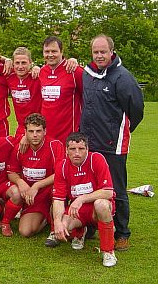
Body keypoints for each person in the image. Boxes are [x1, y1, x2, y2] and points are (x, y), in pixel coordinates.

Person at [80, 34, 144, 251]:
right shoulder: (87, 75)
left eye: (103, 52)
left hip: (112, 145)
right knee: (89, 186)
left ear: (111, 52)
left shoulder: (123, 77)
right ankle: (91, 226)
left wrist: (120, 131)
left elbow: (136, 110)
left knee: (116, 189)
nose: (99, 56)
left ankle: (122, 232)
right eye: (95, 52)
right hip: (89, 143)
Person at [53, 132, 117, 267]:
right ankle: (80, 232)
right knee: (64, 225)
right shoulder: (62, 166)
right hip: (78, 211)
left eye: (81, 149)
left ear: (87, 149)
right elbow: (58, 199)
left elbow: (108, 192)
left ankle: (108, 251)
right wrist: (57, 222)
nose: (77, 153)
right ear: (66, 151)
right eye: (72, 149)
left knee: (101, 204)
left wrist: (81, 199)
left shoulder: (96, 159)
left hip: (96, 207)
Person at [8, 113, 64, 239]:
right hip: (31, 196)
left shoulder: (55, 145)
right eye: (31, 131)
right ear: (25, 132)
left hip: (49, 192)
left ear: (45, 131)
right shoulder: (20, 147)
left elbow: (61, 174)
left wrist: (37, 185)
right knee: (25, 231)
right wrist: (20, 182)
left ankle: (54, 224)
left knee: (58, 191)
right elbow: (11, 172)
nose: (35, 135)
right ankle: (45, 218)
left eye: (38, 131)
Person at [39, 36, 83, 143]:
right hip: (46, 135)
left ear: (61, 51)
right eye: (47, 51)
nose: (50, 55)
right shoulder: (41, 72)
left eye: (54, 51)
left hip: (69, 136)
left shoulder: (74, 71)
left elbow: (88, 98)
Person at [7, 47, 42, 137]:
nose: (20, 67)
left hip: (37, 126)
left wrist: (38, 68)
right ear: (13, 64)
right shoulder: (9, 78)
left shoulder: (37, 77)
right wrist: (6, 59)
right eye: (17, 63)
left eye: (24, 63)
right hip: (21, 126)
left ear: (30, 63)